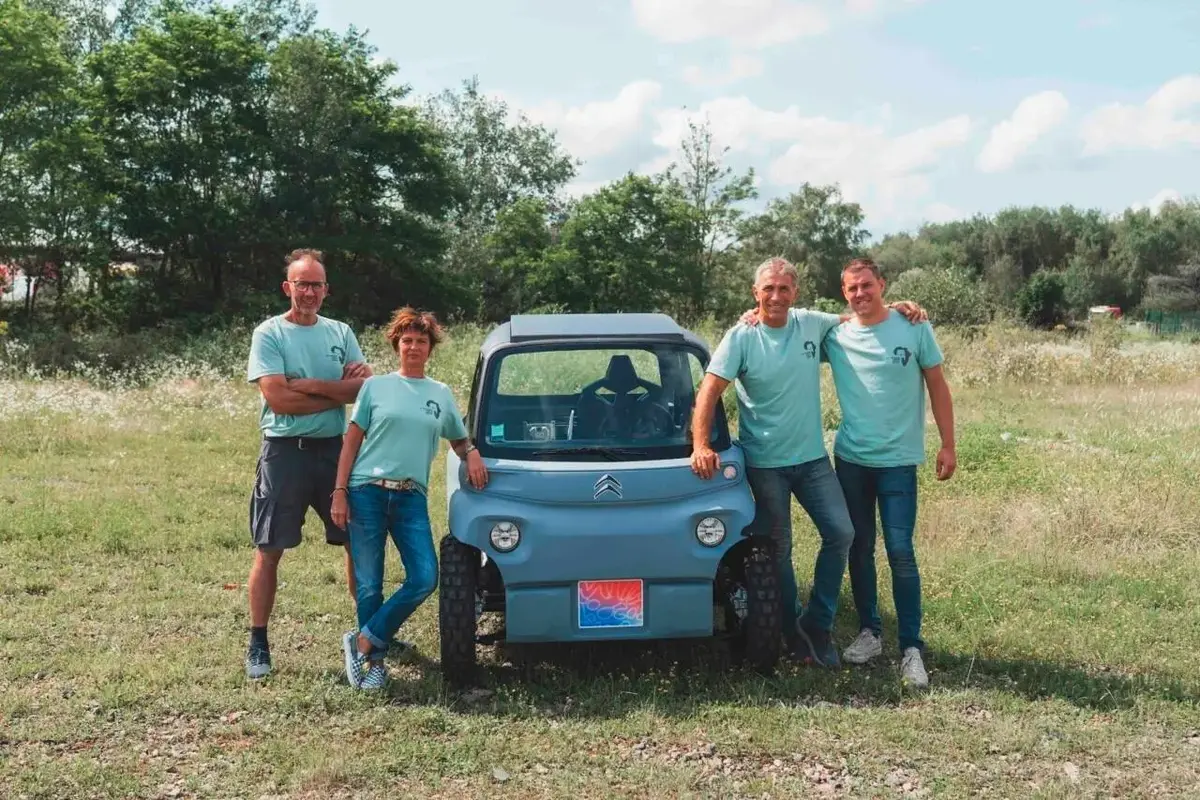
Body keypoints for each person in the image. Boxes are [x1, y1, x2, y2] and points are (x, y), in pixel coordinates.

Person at [691, 257, 925, 667]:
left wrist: (900, 307)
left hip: (813, 460)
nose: (776, 297)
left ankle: (817, 621)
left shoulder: (811, 324)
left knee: (842, 532)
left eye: (784, 289)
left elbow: (858, 315)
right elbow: (709, 391)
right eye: (768, 289)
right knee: (779, 548)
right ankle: (789, 632)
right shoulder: (742, 336)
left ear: (795, 293)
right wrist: (700, 444)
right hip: (766, 464)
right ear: (755, 293)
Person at [331, 307, 488, 691]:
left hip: (410, 497)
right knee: (369, 584)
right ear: (396, 346)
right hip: (366, 491)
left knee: (424, 577)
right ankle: (374, 665)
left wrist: (471, 453)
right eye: (407, 341)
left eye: (420, 341)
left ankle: (363, 640)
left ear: (430, 348)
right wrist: (339, 491)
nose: (413, 346)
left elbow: (458, 436)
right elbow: (352, 441)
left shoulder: (439, 393)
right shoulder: (375, 387)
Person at [822, 258, 955, 689]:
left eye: (867, 286)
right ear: (844, 293)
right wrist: (755, 315)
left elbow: (937, 384)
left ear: (882, 284)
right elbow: (786, 329)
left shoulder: (914, 327)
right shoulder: (836, 336)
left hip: (899, 461)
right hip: (852, 460)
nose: (860, 294)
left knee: (900, 550)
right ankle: (870, 632)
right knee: (859, 547)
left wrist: (948, 444)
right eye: (852, 288)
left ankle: (912, 648)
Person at [244, 248, 373, 680]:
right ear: (288, 287)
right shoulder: (270, 334)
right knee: (270, 548)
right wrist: (336, 390)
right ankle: (258, 642)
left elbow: (360, 392)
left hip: (335, 452)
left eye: (317, 284)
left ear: (326, 289)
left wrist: (316, 386)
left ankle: (370, 633)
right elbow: (277, 398)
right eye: (302, 284)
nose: (310, 292)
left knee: (358, 539)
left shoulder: (340, 331)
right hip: (284, 453)